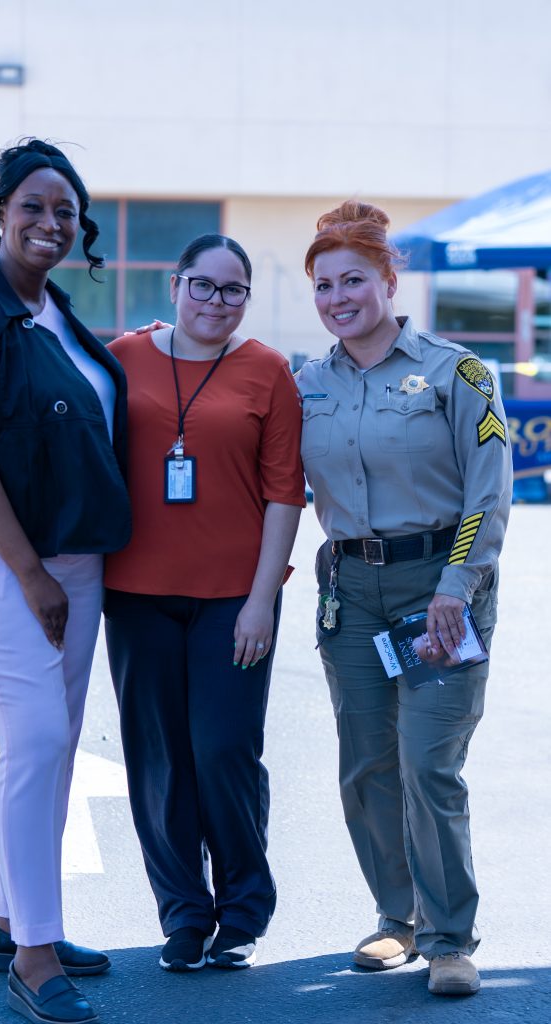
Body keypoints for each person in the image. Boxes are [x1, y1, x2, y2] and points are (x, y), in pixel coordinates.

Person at [0, 139, 131, 1024]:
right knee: (38, 737)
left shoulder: (56, 315)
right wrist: (32, 573)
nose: (51, 222)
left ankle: (13, 922)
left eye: (66, 211)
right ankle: (33, 959)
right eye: (34, 206)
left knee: (52, 744)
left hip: (76, 558)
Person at [297, 201, 512, 997]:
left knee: (428, 764)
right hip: (349, 591)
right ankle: (397, 920)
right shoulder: (304, 382)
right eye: (322, 284)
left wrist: (457, 586)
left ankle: (450, 936)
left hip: (438, 586)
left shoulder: (458, 373)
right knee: (366, 766)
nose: (337, 296)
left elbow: (487, 498)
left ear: (389, 280)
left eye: (353, 279)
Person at [103, 233, 305, 972]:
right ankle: (183, 914)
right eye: (203, 285)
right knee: (158, 759)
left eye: (232, 290)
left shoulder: (268, 371)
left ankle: (243, 911)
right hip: (134, 594)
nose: (215, 302)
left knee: (224, 751)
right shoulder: (122, 357)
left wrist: (262, 598)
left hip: (234, 599)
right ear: (174, 284)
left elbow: (285, 491)